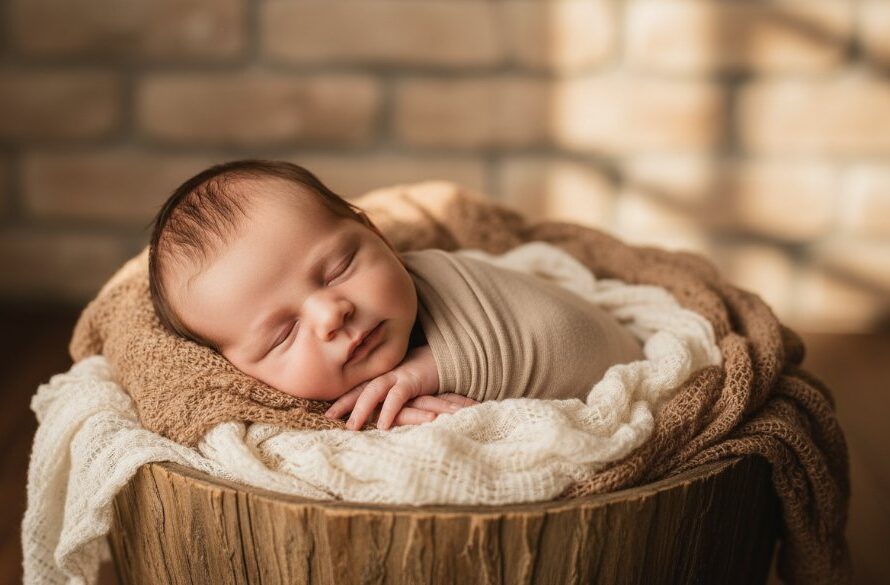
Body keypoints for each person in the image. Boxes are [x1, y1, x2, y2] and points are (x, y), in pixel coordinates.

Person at [148, 160, 643, 432]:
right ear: (239, 370)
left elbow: (595, 346)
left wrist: (431, 369)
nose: (330, 314)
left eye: (338, 268)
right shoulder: (283, 420)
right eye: (283, 334)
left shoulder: (450, 285)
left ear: (378, 236)